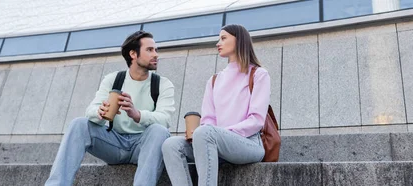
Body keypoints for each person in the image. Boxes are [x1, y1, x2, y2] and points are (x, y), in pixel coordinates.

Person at [45, 30, 175, 186]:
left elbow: (165, 119)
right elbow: (91, 110)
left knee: (160, 131)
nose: (156, 54)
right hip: (114, 143)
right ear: (133, 54)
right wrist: (99, 112)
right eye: (150, 50)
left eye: (156, 50)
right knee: (79, 124)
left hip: (144, 146)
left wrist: (137, 114)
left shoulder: (163, 84)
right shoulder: (113, 79)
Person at [161, 24, 271, 186]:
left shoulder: (259, 74)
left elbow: (256, 121)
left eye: (223, 38)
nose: (218, 43)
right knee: (170, 145)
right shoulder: (214, 80)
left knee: (206, 133)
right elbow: (208, 120)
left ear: (239, 40)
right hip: (213, 142)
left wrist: (218, 133)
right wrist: (201, 135)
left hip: (248, 144)